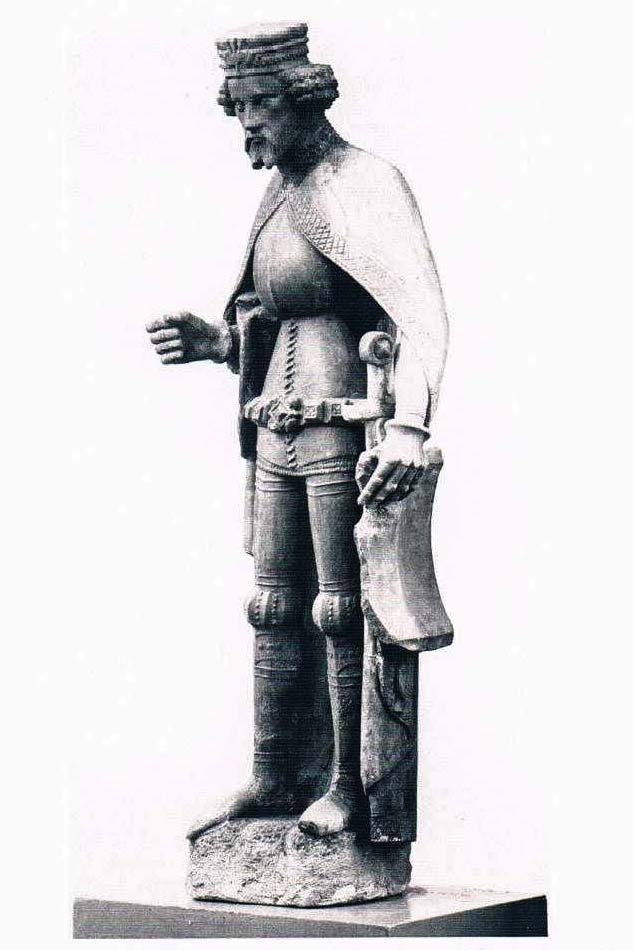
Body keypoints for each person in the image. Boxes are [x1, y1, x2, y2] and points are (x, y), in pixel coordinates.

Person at [146, 21, 449, 841]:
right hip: (275, 425)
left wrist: (408, 427)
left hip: (338, 430)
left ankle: (347, 785)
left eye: (260, 105)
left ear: (303, 99)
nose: (247, 124)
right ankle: (275, 773)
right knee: (271, 605)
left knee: (340, 606)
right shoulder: (280, 189)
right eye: (236, 107)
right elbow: (270, 315)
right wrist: (220, 344)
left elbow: (418, 313)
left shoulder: (366, 181)